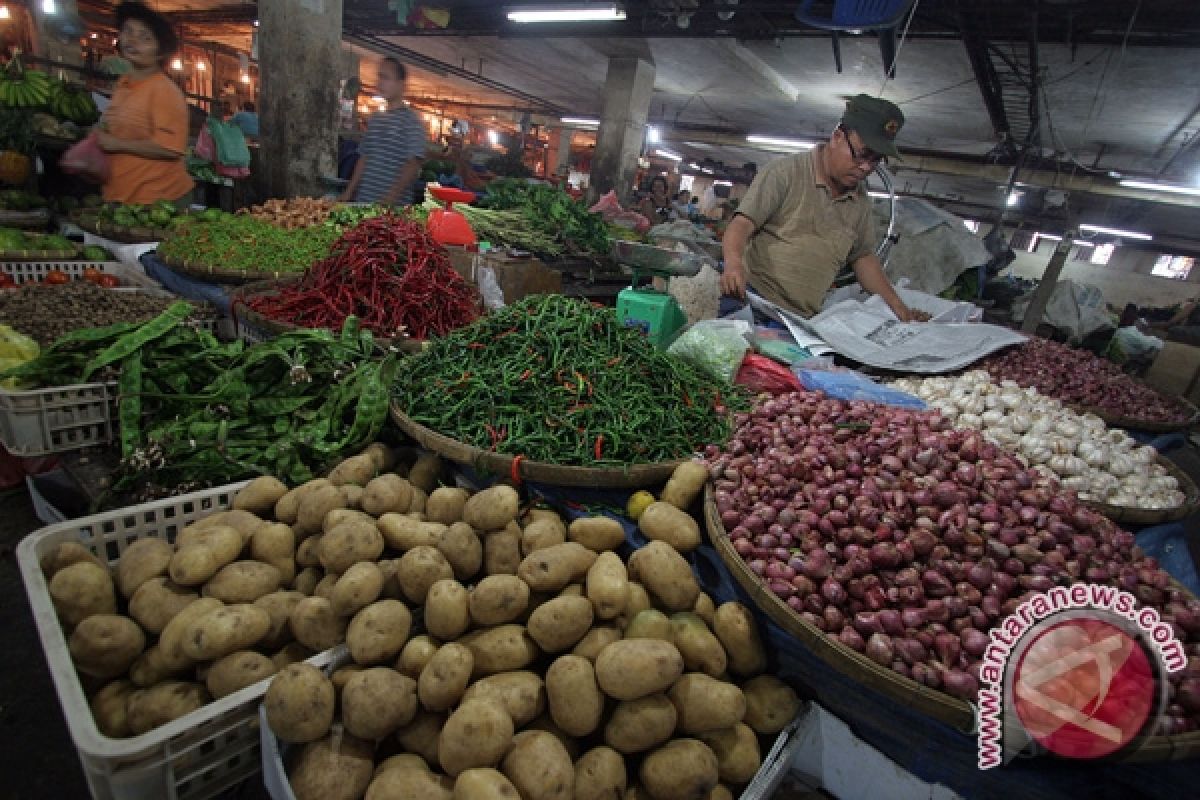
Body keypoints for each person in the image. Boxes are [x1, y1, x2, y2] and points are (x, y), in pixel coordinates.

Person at [720, 95, 927, 322]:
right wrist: (734, 264)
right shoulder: (785, 172)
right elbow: (742, 224)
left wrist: (900, 309)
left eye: (876, 160)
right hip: (753, 301)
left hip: (802, 320)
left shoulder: (860, 201)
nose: (866, 167)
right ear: (838, 136)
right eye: (862, 154)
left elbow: (863, 258)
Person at [94, 3, 193, 206]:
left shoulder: (164, 91)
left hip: (157, 201)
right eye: (128, 31)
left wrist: (116, 144)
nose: (133, 40)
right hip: (122, 196)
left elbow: (171, 149)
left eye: (145, 38)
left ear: (160, 52)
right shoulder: (124, 84)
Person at [338, 58, 426, 206]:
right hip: (364, 203)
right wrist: (348, 192)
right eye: (379, 76)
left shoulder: (411, 122)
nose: (380, 82)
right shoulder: (375, 119)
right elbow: (363, 158)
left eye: (386, 78)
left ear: (401, 84)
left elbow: (413, 165)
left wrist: (389, 199)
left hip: (392, 211)